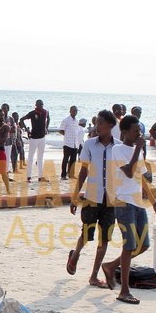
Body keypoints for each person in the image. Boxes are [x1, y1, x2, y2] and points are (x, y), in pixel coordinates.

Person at [100, 115, 156, 304]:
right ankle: (124, 291)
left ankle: (111, 266)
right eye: (136, 131)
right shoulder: (118, 150)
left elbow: (141, 179)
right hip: (123, 202)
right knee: (129, 245)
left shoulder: (139, 151)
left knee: (143, 244)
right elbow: (128, 171)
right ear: (125, 132)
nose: (140, 134)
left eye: (140, 131)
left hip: (137, 203)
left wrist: (154, 204)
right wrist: (138, 148)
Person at [67, 110, 119, 288]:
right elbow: (83, 171)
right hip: (91, 198)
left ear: (110, 126)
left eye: (100, 123)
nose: (97, 126)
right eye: (96, 123)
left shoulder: (118, 147)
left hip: (111, 200)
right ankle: (75, 255)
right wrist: (75, 197)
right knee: (86, 235)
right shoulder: (89, 145)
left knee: (104, 239)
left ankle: (94, 276)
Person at [22, 99, 50, 182]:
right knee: (30, 158)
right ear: (36, 105)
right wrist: (27, 131)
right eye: (39, 105)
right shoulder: (32, 113)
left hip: (42, 138)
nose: (41, 106)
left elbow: (48, 118)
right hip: (33, 138)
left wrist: (46, 127)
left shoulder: (46, 112)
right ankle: (28, 177)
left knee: (40, 158)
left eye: (42, 105)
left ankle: (40, 177)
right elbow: (21, 119)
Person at [60, 106, 83, 180]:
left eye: (76, 111)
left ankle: (70, 174)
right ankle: (63, 175)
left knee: (73, 160)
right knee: (65, 159)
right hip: (67, 143)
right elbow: (61, 130)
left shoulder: (77, 121)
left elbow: (78, 131)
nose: (75, 112)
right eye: (74, 111)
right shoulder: (66, 120)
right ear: (70, 111)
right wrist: (67, 135)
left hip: (75, 144)